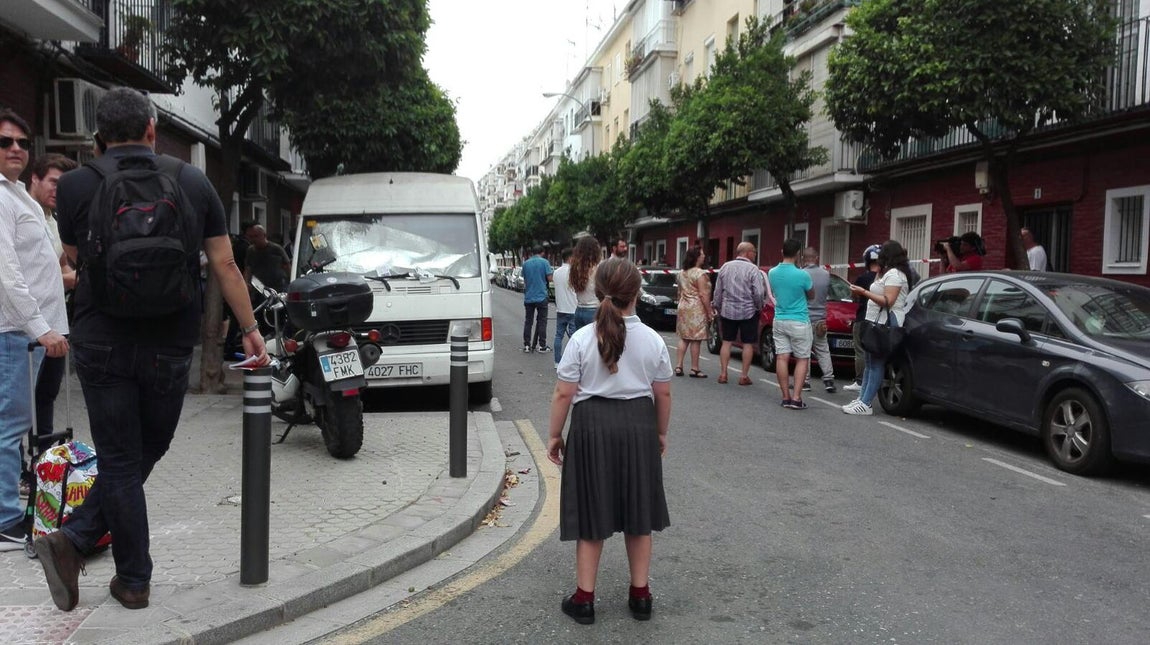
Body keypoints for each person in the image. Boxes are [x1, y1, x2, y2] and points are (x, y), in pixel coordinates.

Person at [36, 87, 268, 611]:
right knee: (145, 451)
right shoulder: (191, 180)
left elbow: (76, 258)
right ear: (151, 130)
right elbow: (226, 265)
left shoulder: (73, 186)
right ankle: (124, 574)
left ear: (98, 139)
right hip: (169, 342)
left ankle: (79, 546)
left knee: (121, 459)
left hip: (100, 340)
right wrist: (249, 327)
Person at [547, 257, 672, 625]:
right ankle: (640, 596)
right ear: (637, 293)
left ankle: (584, 599)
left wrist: (555, 435)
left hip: (591, 426)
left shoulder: (583, 339)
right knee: (639, 514)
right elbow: (662, 395)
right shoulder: (653, 340)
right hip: (638, 426)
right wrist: (660, 432)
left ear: (599, 291)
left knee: (591, 511)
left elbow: (562, 394)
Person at [0, 109, 70, 551]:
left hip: (31, 335)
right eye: (5, 142)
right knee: (10, 426)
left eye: (22, 142)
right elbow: (8, 274)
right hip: (16, 334)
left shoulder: (17, 195)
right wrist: (42, 329)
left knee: (16, 423)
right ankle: (7, 518)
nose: (15, 149)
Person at [27, 154, 79, 460]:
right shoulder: (23, 213)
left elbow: (57, 269)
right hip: (28, 325)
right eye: (53, 182)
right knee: (21, 405)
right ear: (34, 178)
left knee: (46, 396)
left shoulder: (54, 220)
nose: (58, 191)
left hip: (57, 323)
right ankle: (20, 468)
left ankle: (41, 463)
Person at [844, 240, 915, 416]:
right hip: (875, 321)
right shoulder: (886, 273)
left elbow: (888, 300)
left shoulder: (895, 275)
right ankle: (862, 398)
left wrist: (864, 292)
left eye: (882, 254)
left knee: (876, 363)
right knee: (869, 362)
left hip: (884, 323)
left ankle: (866, 403)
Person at [712, 242, 767, 385]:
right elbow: (759, 292)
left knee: (727, 342)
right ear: (747, 252)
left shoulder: (725, 267)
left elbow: (718, 290)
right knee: (748, 343)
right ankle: (743, 376)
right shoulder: (753, 269)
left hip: (728, 310)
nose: (755, 254)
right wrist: (759, 306)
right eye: (754, 251)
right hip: (748, 311)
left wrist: (717, 305)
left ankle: (723, 374)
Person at [768, 239, 814, 409]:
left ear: (782, 251)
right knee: (802, 359)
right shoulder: (803, 275)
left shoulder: (772, 272)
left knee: (782, 357)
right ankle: (796, 398)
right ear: (798, 254)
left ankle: (785, 397)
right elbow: (811, 295)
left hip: (779, 319)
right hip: (799, 320)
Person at [843, 245, 881, 392]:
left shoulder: (862, 278)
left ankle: (860, 381)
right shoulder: (884, 279)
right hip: (879, 319)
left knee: (860, 351)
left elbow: (854, 297)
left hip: (863, 317)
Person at [673, 247, 713, 378]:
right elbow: (703, 294)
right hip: (696, 308)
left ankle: (678, 365)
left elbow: (679, 292)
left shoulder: (681, 273)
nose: (704, 256)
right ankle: (694, 368)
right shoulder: (699, 274)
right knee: (696, 339)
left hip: (683, 306)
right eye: (701, 254)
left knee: (684, 337)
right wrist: (709, 311)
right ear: (696, 257)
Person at [801, 247, 836, 393]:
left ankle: (805, 381)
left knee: (804, 351)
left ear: (804, 258)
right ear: (816, 258)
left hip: (805, 318)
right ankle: (829, 380)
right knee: (823, 350)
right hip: (821, 318)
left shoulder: (801, 274)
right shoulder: (826, 274)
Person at [521, 245, 553, 353]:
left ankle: (526, 345)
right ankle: (542, 345)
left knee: (528, 321)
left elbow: (525, 280)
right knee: (542, 321)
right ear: (542, 252)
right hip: (541, 296)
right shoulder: (545, 262)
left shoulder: (525, 264)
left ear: (531, 253)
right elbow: (550, 278)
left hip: (529, 296)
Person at [243, 223, 291, 291]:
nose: (253, 239)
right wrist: (246, 282)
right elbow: (248, 268)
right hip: (258, 288)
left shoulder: (276, 249)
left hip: (277, 287)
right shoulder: (250, 251)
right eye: (251, 237)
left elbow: (287, 266)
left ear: (264, 235)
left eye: (256, 236)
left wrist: (291, 281)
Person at [569, 236, 601, 331]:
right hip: (594, 310)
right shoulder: (598, 268)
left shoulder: (575, 269)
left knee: (583, 343)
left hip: (579, 310)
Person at [551, 248, 576, 368]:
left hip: (560, 309)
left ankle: (557, 361)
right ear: (571, 258)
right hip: (573, 308)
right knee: (574, 337)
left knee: (558, 336)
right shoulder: (574, 272)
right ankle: (572, 360)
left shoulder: (556, 272)